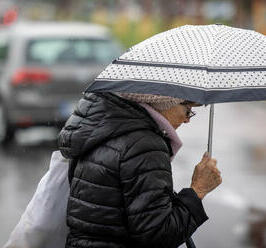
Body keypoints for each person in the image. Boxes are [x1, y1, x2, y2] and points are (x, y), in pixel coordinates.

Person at [58, 91, 222, 248]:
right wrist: (197, 190)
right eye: (188, 110)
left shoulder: (104, 129)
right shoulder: (144, 145)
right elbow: (158, 237)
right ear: (164, 103)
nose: (187, 120)